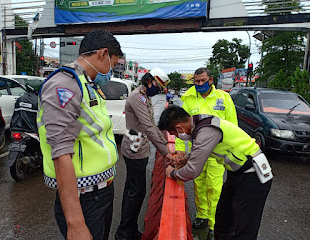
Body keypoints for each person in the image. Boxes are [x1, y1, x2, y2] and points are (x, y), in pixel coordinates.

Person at [38, 30, 123, 240]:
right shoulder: (64, 85)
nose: (111, 72)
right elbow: (61, 152)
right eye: (113, 65)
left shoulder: (86, 83)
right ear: (103, 54)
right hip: (85, 198)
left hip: (101, 192)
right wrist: (75, 223)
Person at [158, 106, 272, 240]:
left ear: (179, 128)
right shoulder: (200, 123)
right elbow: (200, 149)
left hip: (253, 176)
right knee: (223, 218)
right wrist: (186, 159)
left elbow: (193, 171)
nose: (177, 137)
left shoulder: (207, 130)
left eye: (175, 134)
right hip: (237, 174)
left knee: (244, 227)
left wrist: (172, 173)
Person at [175, 67, 237, 237]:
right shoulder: (188, 100)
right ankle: (202, 215)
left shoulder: (223, 98)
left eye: (203, 80)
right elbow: (181, 127)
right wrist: (180, 150)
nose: (200, 84)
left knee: (214, 187)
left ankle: (213, 223)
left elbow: (233, 125)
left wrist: (232, 150)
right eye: (197, 81)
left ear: (211, 80)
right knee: (199, 184)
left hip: (219, 152)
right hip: (198, 151)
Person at [115, 68, 175, 240]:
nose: (159, 89)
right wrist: (165, 152)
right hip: (135, 150)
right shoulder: (137, 97)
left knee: (133, 191)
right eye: (159, 85)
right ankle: (124, 233)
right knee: (136, 192)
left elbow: (151, 125)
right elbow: (148, 127)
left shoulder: (145, 96)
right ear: (149, 81)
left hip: (140, 148)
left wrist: (163, 143)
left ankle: (129, 229)